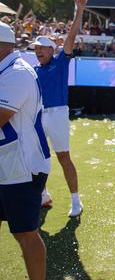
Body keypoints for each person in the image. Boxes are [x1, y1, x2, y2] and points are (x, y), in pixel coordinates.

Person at [0, 21, 51, 280]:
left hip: (21, 167)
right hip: (5, 165)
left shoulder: (17, 73)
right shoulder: (7, 69)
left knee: (25, 234)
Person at [33, 0, 86, 217]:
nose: (37, 52)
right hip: (37, 115)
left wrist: (80, 9)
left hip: (57, 114)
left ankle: (76, 200)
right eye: (35, 49)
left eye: (41, 49)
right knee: (36, 158)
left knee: (63, 157)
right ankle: (43, 195)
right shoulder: (34, 71)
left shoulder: (61, 62)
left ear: (51, 50)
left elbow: (71, 37)